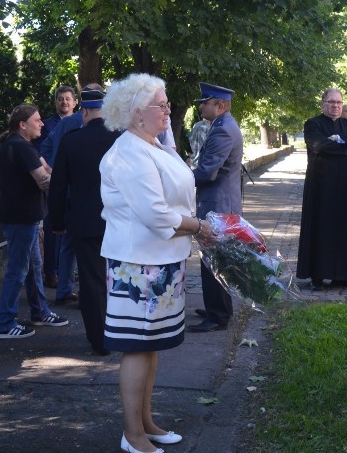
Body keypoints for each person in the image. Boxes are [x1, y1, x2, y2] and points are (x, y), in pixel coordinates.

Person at [99, 73, 213, 453]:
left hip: (163, 259)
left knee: (152, 345)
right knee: (137, 345)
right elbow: (154, 213)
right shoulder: (129, 151)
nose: (168, 110)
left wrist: (195, 227)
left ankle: (145, 421)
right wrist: (199, 227)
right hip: (137, 263)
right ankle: (132, 434)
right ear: (136, 113)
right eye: (160, 105)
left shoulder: (156, 144)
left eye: (166, 104)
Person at [49, 88, 119, 355]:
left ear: (84, 112)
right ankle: (122, 331)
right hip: (119, 221)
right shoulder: (121, 139)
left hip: (85, 222)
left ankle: (99, 340)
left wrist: (57, 221)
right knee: (118, 278)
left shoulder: (71, 140)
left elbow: (58, 186)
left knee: (91, 281)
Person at [0, 105, 68, 340]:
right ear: (22, 125)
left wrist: (49, 171)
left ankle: (40, 312)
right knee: (18, 270)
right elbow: (44, 179)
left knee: (34, 267)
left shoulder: (23, 146)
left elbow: (45, 169)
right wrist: (64, 179)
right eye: (37, 120)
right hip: (20, 219)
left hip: (25, 218)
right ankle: (4, 323)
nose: (42, 123)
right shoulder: (19, 147)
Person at [296, 88, 347, 290]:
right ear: (323, 104)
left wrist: (337, 141)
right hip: (321, 185)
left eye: (338, 102)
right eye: (331, 102)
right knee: (322, 226)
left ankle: (345, 275)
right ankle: (318, 274)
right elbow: (319, 145)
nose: (335, 106)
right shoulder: (313, 124)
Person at [188, 82, 244, 333]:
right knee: (215, 259)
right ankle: (217, 308)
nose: (201, 106)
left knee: (214, 260)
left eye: (205, 102)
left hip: (218, 205)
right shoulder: (222, 125)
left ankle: (218, 315)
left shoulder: (223, 130)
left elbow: (208, 172)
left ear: (219, 106)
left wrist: (182, 177)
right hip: (220, 201)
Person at [39, 86, 78, 290]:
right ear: (56, 102)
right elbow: (41, 151)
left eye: (68, 99)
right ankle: (51, 272)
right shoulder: (47, 125)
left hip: (75, 185)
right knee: (53, 228)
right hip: (54, 183)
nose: (64, 102)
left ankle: (67, 277)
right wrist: (50, 169)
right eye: (60, 99)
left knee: (70, 237)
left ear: (75, 102)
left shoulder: (82, 123)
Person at [187, 99, 212, 168]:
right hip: (199, 167)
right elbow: (199, 152)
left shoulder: (200, 126)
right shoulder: (202, 127)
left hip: (197, 166)